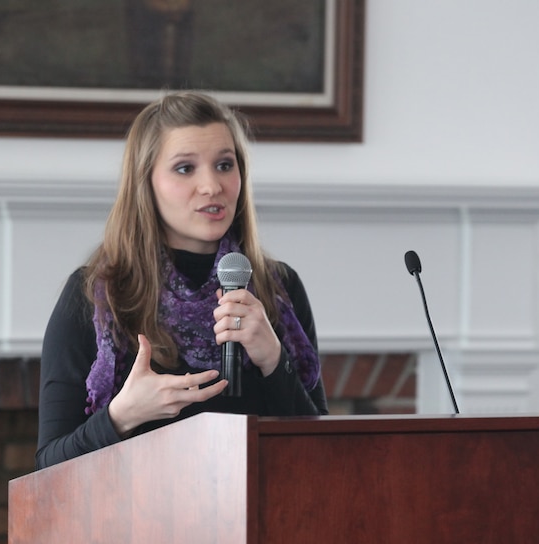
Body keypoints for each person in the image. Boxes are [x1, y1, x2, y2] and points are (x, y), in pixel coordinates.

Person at [36, 91, 329, 469]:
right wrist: (121, 416)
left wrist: (274, 359)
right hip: (138, 521)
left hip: (261, 517)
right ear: (147, 184)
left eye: (225, 165)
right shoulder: (97, 295)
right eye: (185, 168)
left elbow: (320, 453)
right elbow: (48, 465)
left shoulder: (279, 289)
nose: (212, 186)